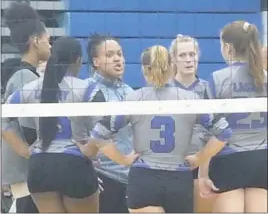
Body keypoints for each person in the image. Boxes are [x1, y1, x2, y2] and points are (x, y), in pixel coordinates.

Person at [78, 45, 232, 213]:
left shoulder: (134, 99)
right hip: (178, 178)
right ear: (172, 66)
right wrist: (199, 158)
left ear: (144, 70)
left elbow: (99, 134)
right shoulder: (190, 99)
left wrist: (122, 160)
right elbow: (223, 132)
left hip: (144, 177)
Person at [1, 37, 102, 213]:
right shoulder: (87, 88)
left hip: (40, 165)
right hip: (73, 163)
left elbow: (3, 118)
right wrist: (90, 150)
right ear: (78, 60)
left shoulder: (30, 88)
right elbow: (107, 123)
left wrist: (24, 150)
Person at [202, 21, 267, 213]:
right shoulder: (265, 77)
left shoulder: (217, 79)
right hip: (262, 158)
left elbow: (208, 130)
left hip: (229, 160)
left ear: (227, 48)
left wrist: (203, 172)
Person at [1, 1, 50, 213]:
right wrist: (31, 153)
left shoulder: (26, 74)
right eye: (48, 40)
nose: (50, 46)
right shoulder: (24, 77)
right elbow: (29, 129)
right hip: (24, 171)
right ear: (35, 40)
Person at [84, 34, 134, 213]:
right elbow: (81, 137)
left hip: (131, 178)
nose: (117, 59)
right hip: (104, 178)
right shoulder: (87, 91)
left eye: (119, 54)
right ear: (96, 61)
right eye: (110, 55)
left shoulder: (129, 91)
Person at [169, 34, 217, 213]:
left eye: (192, 54)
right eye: (182, 55)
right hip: (171, 165)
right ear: (173, 59)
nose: (188, 60)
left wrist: (203, 168)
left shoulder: (208, 88)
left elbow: (215, 132)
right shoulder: (165, 89)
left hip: (204, 163)